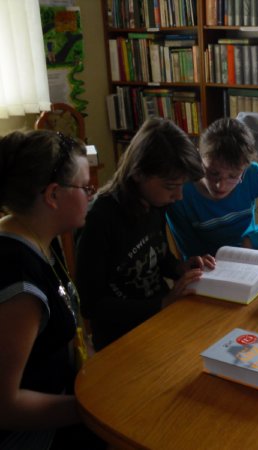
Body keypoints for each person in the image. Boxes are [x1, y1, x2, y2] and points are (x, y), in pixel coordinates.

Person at [0, 130, 104, 449]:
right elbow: (6, 406)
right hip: (32, 435)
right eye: (85, 187)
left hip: (62, 396)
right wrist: (96, 408)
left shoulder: (40, 236)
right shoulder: (20, 286)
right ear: (53, 195)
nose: (91, 195)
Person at [75, 118, 214, 351]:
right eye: (171, 186)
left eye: (182, 186)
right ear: (138, 174)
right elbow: (91, 305)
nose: (179, 196)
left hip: (162, 319)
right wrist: (164, 302)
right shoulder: (98, 219)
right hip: (121, 337)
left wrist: (181, 268)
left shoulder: (155, 202)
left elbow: (158, 256)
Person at [167, 117, 258, 258]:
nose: (220, 186)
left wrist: (250, 242)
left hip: (252, 252)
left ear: (245, 167)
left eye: (233, 176)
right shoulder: (180, 192)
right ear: (199, 159)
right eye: (213, 173)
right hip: (215, 264)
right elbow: (191, 256)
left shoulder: (253, 173)